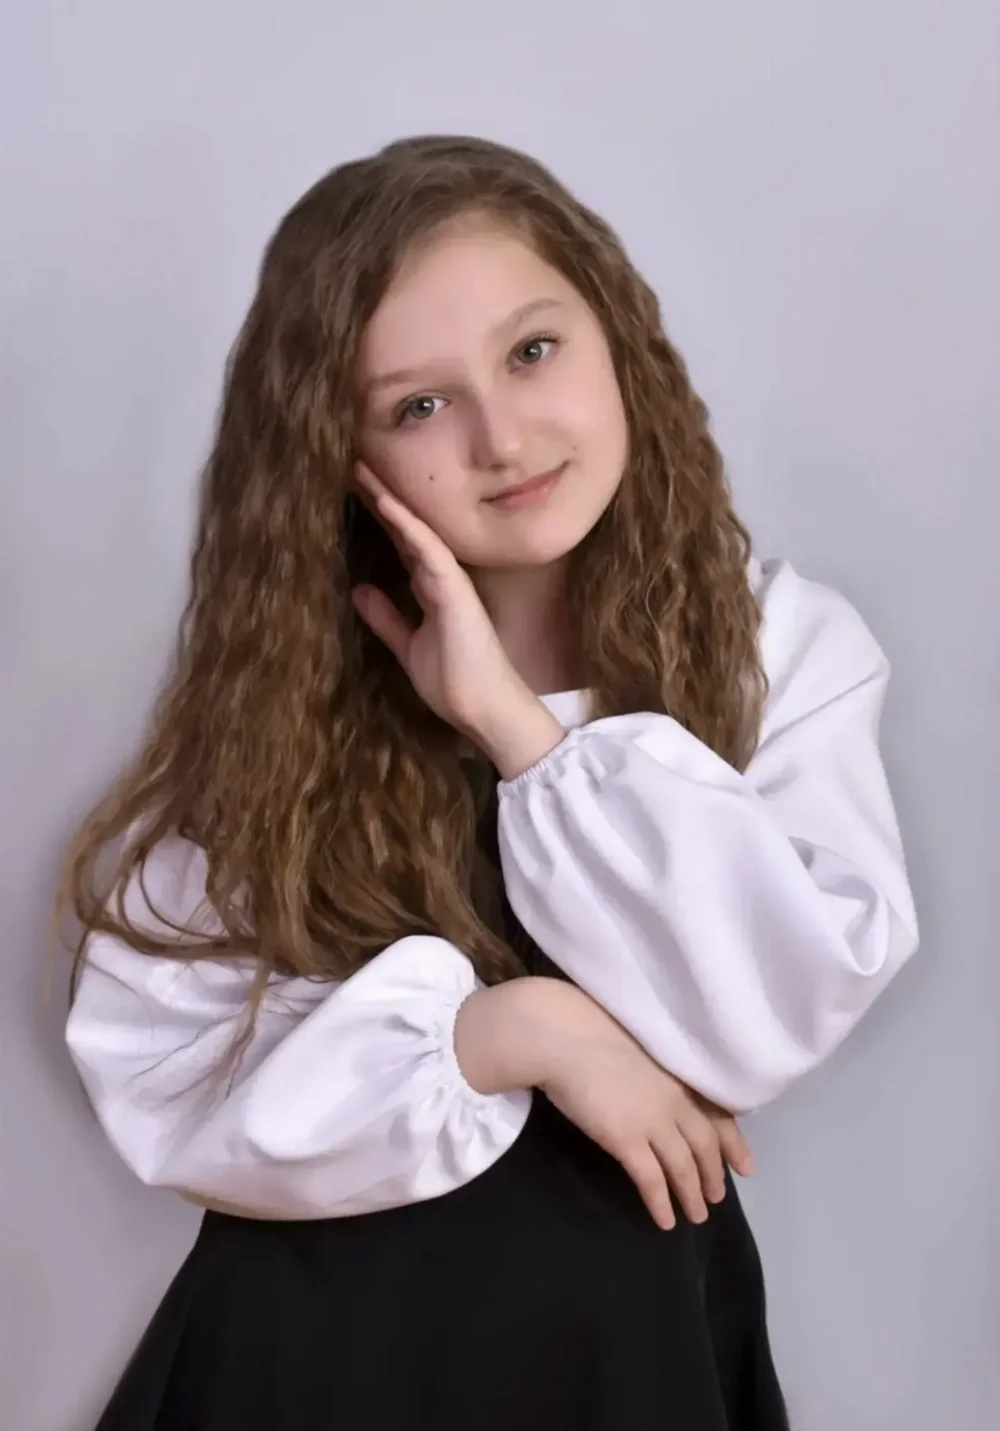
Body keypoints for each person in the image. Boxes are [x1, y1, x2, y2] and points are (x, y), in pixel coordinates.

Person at [58, 134, 918, 1430]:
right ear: (338, 456)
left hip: (628, 1360)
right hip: (314, 1364)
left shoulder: (783, 651)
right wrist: (517, 1033)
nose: (502, 438)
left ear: (617, 334)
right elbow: (164, 1079)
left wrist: (516, 728)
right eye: (419, 406)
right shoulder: (289, 703)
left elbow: (770, 1008)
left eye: (532, 351)